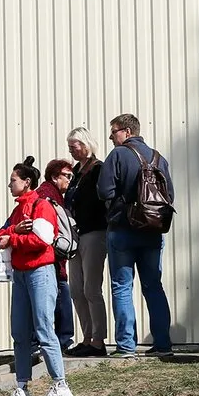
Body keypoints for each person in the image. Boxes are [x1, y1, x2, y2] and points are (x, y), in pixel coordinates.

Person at [0, 158, 74, 396]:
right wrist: (14, 232)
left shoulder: (42, 206)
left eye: (13, 180)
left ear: (27, 182)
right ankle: (22, 387)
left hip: (40, 272)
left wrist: (13, 237)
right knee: (20, 333)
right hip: (20, 275)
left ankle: (60, 385)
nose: (9, 185)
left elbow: (41, 240)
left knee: (44, 329)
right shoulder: (19, 209)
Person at [98, 113, 175, 359]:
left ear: (127, 132)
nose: (111, 136)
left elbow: (104, 190)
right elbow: (169, 195)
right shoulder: (158, 158)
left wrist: (119, 205)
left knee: (122, 286)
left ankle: (126, 346)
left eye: (114, 131)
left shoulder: (118, 155)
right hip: (152, 231)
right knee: (154, 286)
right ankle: (163, 344)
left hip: (122, 229)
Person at [64, 128, 109, 357]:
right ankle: (87, 336)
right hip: (76, 234)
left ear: (87, 144)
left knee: (91, 287)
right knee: (76, 289)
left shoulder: (98, 169)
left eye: (76, 145)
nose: (72, 149)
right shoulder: (76, 171)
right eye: (70, 145)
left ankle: (98, 340)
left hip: (94, 231)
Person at [36, 158, 76, 352]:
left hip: (55, 258)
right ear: (54, 176)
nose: (70, 180)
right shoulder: (46, 196)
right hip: (51, 257)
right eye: (67, 176)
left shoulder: (55, 195)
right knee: (60, 296)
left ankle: (62, 338)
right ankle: (63, 339)